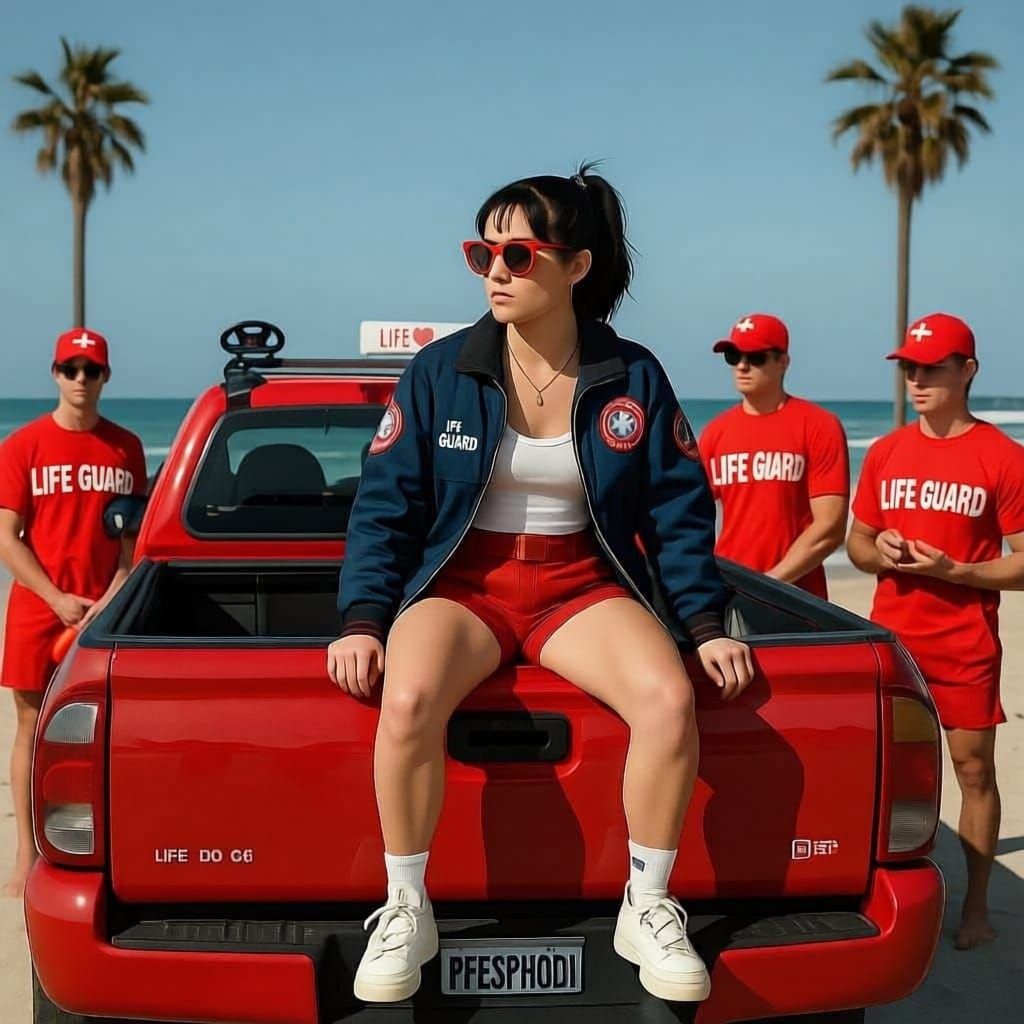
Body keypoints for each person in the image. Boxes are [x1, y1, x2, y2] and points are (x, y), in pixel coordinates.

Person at [327, 165, 754, 1005]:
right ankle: (406, 905)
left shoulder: (632, 375)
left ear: (577, 267)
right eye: (481, 251)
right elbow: (386, 507)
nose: (495, 271)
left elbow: (677, 510)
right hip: (465, 583)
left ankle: (648, 901)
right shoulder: (439, 372)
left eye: (518, 254)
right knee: (407, 700)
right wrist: (364, 618)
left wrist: (705, 625)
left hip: (579, 588)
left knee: (669, 700)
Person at [847, 312, 1024, 951]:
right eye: (910, 368)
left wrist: (957, 569)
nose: (918, 380)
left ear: (967, 371)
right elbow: (857, 544)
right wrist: (881, 548)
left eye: (932, 368)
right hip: (894, 642)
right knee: (884, 776)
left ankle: (976, 905)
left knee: (972, 771)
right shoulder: (889, 451)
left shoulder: (1002, 458)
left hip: (966, 645)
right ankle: (873, 889)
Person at [0, 328, 146, 897]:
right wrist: (55, 598)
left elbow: (131, 540)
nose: (81, 379)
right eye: (71, 368)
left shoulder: (126, 447)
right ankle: (24, 854)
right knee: (30, 726)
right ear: (55, 373)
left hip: (105, 608)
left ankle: (88, 844)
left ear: (105, 377)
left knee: (97, 731)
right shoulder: (23, 446)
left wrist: (111, 595)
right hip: (40, 607)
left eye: (92, 370)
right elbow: (8, 537)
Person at [699, 314, 849, 600]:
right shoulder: (716, 432)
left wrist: (770, 584)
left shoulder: (818, 426)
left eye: (756, 357)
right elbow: (689, 514)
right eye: (733, 356)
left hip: (798, 597)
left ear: (783, 362)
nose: (742, 366)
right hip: (729, 591)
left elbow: (830, 528)